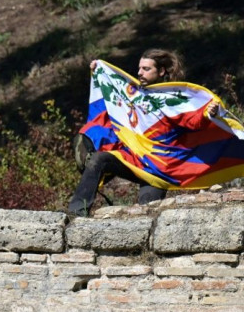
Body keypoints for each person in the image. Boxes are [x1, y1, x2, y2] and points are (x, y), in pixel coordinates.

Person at [68, 49, 219, 216]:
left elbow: (192, 120)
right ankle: (76, 214)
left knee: (147, 213)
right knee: (99, 159)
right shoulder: (132, 93)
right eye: (139, 68)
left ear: (161, 71)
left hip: (159, 168)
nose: (140, 73)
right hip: (133, 159)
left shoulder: (173, 98)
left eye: (146, 69)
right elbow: (110, 96)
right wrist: (98, 71)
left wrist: (207, 114)